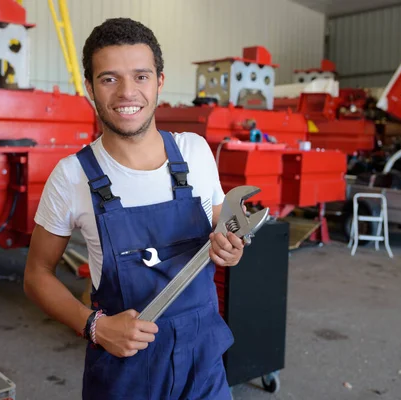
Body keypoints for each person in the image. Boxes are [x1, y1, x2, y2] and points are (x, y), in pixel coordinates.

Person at [24, 17, 246, 400]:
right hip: (126, 371)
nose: (128, 92)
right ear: (90, 88)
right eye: (109, 78)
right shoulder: (72, 176)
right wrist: (93, 326)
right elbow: (37, 274)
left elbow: (221, 229)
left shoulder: (194, 152)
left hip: (204, 362)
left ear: (159, 81)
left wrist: (232, 247)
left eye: (141, 76)